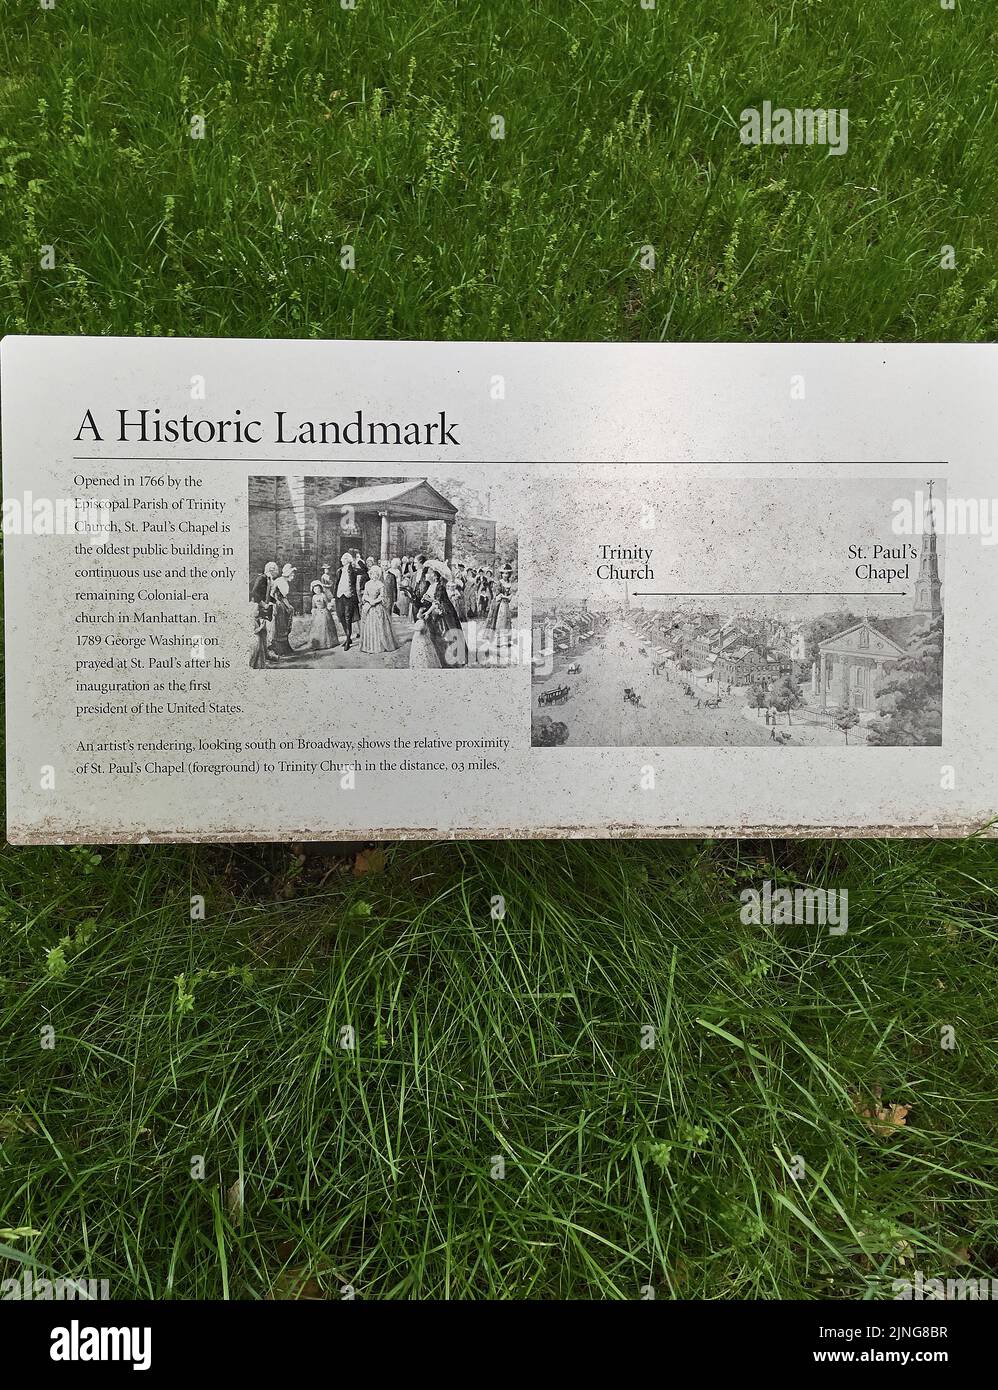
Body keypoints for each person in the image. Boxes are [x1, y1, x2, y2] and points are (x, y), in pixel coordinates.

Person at [360, 565, 400, 654]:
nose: (374, 576)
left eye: (376, 574)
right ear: (370, 574)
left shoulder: (380, 584)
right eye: (372, 574)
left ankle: (380, 645)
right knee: (369, 626)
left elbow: (382, 597)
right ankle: (369, 646)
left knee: (379, 625)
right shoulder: (367, 584)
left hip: (377, 607)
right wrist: (370, 600)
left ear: (378, 575)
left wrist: (375, 601)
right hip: (369, 607)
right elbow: (365, 595)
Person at [270, 564, 297, 657]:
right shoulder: (280, 581)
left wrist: (289, 606)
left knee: (284, 625)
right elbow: (272, 593)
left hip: (282, 605)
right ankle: (279, 649)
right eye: (292, 575)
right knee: (280, 625)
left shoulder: (284, 582)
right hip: (278, 606)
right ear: (287, 574)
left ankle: (285, 647)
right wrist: (277, 601)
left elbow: (284, 597)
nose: (293, 577)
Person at [335, 553, 359, 651]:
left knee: (348, 617)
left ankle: (348, 639)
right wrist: (334, 596)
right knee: (341, 616)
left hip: (349, 597)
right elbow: (336, 584)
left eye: (344, 559)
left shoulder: (353, 570)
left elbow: (354, 584)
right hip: (340, 596)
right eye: (342, 559)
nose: (342, 560)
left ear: (348, 560)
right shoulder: (339, 571)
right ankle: (347, 636)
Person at [309, 579, 339, 651]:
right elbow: (313, 606)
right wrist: (313, 610)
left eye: (318, 588)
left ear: (321, 589)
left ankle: (328, 642)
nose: (317, 590)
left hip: (324, 612)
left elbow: (326, 603)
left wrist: (329, 606)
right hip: (318, 613)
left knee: (326, 626)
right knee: (317, 627)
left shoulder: (323, 595)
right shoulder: (314, 597)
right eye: (315, 589)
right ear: (313, 590)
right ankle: (318, 644)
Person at [249, 600, 269, 668]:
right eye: (257, 611)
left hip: (259, 639)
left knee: (260, 653)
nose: (258, 612)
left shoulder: (256, 619)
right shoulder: (252, 620)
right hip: (255, 640)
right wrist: (261, 627)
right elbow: (254, 631)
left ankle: (260, 666)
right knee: (255, 654)